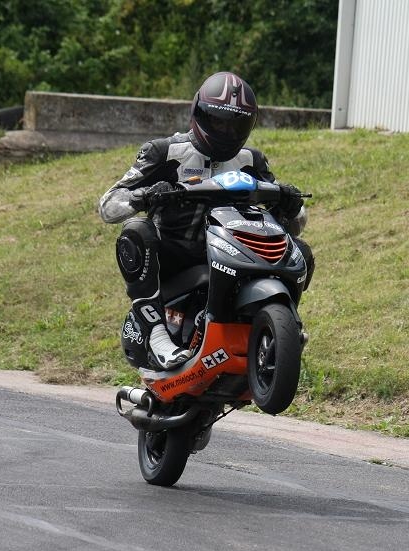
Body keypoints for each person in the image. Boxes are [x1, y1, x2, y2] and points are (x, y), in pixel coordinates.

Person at [99, 71, 314, 370]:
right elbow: (108, 206)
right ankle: (157, 334)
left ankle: (284, 328)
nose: (227, 131)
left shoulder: (252, 160)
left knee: (299, 251)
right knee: (136, 231)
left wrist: (291, 207)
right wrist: (143, 197)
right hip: (173, 255)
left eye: (236, 124)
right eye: (219, 121)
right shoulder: (164, 152)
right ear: (198, 114)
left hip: (233, 251)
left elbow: (296, 223)